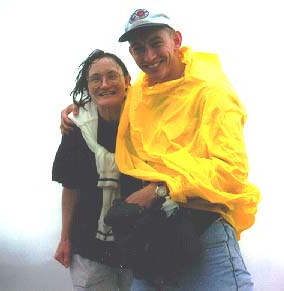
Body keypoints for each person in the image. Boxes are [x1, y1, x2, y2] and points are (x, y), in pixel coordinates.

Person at [60, 8, 261, 291]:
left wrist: (160, 189)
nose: (150, 57)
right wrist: (79, 111)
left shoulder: (211, 92)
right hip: (154, 234)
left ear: (176, 40)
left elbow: (231, 170)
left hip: (206, 227)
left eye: (156, 44)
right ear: (131, 54)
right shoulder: (141, 92)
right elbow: (109, 94)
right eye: (140, 49)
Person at [52, 49, 133, 291]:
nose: (104, 84)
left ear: (127, 82)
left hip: (139, 245)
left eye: (112, 76)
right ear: (87, 86)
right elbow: (71, 187)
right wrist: (64, 238)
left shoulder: (146, 121)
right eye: (95, 79)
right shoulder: (76, 126)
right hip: (89, 245)